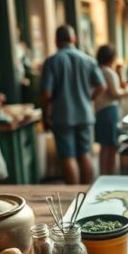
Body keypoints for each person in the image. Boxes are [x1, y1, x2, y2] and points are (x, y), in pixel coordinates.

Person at [40, 25, 105, 185]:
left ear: (56, 41)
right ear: (74, 39)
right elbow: (101, 86)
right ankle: (87, 193)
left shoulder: (52, 61)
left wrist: (48, 108)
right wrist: (88, 98)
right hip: (85, 114)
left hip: (62, 116)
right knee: (85, 154)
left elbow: (46, 94)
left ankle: (73, 196)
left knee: (68, 156)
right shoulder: (88, 60)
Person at [94, 44, 123, 176]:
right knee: (111, 145)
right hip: (109, 110)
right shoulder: (108, 72)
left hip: (100, 110)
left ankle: (103, 173)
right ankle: (109, 174)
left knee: (104, 146)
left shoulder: (97, 70)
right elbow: (115, 93)